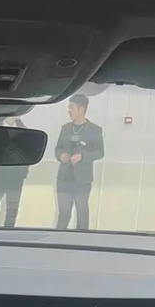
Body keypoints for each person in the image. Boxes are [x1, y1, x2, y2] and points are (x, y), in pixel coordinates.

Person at [54, 94, 104, 230]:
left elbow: (100, 152)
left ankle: (82, 239)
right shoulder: (65, 128)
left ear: (81, 109)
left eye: (72, 107)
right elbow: (58, 148)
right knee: (63, 215)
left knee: (82, 214)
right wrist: (60, 155)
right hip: (64, 178)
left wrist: (82, 156)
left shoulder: (94, 130)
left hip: (82, 180)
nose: (69, 111)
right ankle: (58, 239)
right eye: (69, 108)